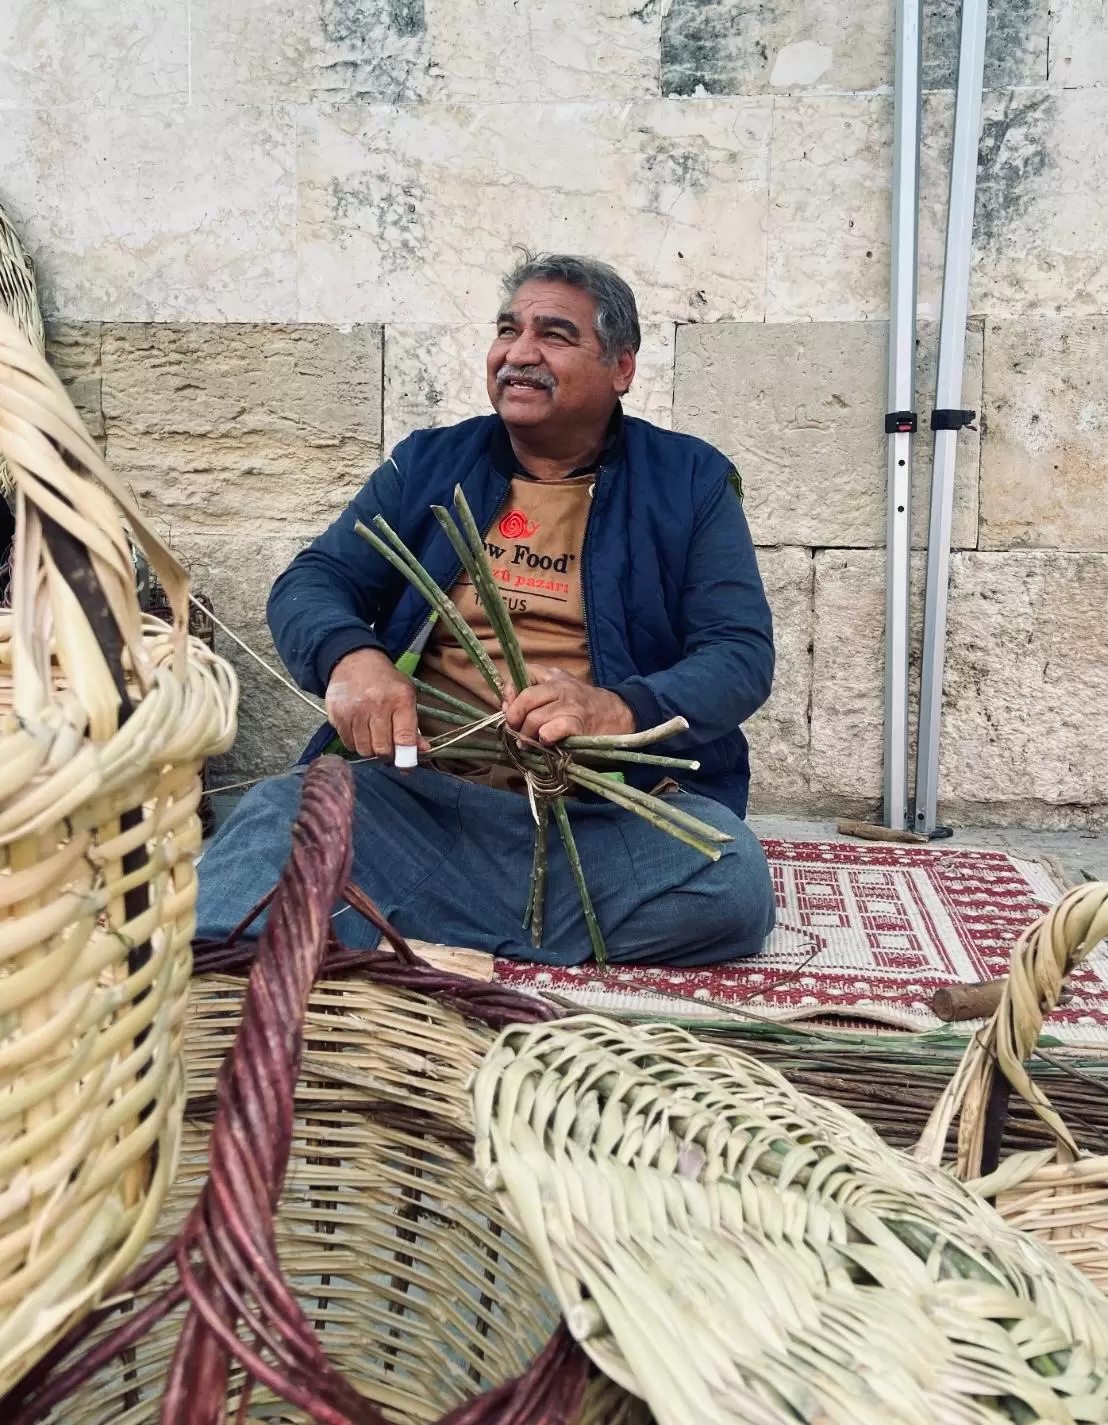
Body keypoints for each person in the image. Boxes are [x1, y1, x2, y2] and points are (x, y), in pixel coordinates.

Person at [196, 252, 777, 965]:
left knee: (731, 879)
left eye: (554, 335)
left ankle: (387, 921)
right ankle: (492, 928)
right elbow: (314, 581)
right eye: (508, 330)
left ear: (621, 367)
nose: (519, 353)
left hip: (600, 811)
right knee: (277, 817)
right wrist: (353, 658)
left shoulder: (690, 480)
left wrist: (616, 709)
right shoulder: (429, 463)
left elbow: (739, 655)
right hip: (421, 795)